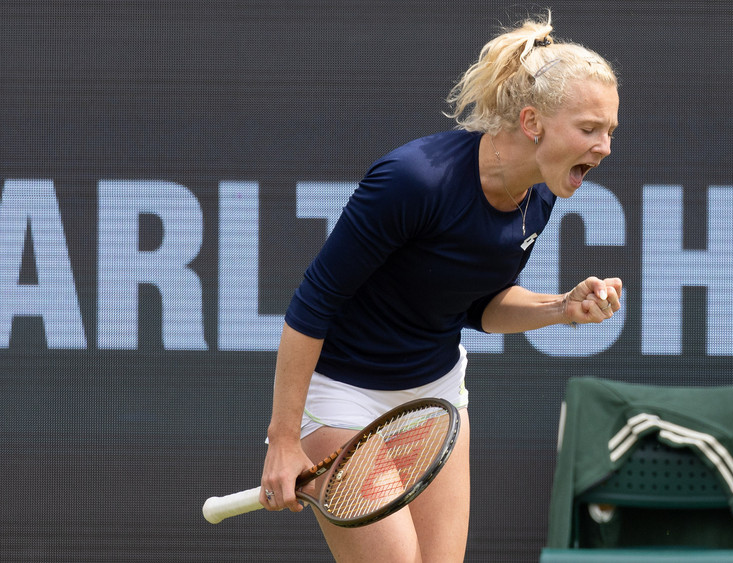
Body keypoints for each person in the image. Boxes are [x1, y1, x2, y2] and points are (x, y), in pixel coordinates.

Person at [259, 12, 621, 562]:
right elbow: (313, 304)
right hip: (341, 397)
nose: (604, 148)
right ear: (532, 122)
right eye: (590, 129)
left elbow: (480, 306)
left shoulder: (540, 195)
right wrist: (284, 440)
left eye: (610, 132)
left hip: (434, 398)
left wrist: (560, 307)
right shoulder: (413, 181)